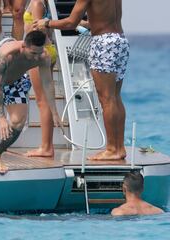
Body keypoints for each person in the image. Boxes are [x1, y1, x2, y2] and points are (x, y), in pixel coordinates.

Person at [34, 0, 130, 160]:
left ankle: (112, 149)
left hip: (103, 43)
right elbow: (102, 17)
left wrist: (48, 23)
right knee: (115, 97)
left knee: (106, 99)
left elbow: (70, 22)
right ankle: (119, 148)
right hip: (119, 40)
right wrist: (87, 23)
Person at [0, 30, 63, 174]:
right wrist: (1, 117)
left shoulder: (43, 56)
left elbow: (48, 83)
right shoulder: (7, 54)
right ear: (23, 46)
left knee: (18, 121)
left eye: (39, 52)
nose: (36, 57)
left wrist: (55, 112)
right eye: (33, 53)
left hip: (16, 83)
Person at [23, 0, 58, 157]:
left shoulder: (37, 3)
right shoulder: (38, 2)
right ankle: (46, 146)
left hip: (41, 52)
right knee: (43, 101)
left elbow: (39, 34)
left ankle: (46, 147)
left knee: (42, 101)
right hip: (46, 50)